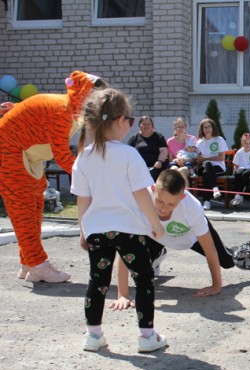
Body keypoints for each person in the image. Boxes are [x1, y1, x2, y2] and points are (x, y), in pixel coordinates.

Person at [70, 88, 168, 353]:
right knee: (144, 278)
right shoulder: (128, 155)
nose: (131, 124)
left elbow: (83, 201)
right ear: (118, 120)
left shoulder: (83, 157)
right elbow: (141, 195)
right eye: (131, 119)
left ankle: (93, 335)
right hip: (129, 230)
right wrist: (155, 224)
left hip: (97, 230)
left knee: (97, 281)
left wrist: (83, 231)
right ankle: (147, 337)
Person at [0, 71, 105, 283]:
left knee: (34, 205)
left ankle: (29, 262)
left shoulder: (73, 110)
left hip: (23, 154)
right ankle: (38, 265)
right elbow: (64, 157)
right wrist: (91, 181)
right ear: (85, 94)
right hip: (9, 152)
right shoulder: (62, 112)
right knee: (24, 208)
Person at [111, 169, 236, 309]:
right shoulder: (139, 201)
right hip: (156, 237)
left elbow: (210, 249)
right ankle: (158, 255)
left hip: (190, 237)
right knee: (138, 268)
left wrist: (216, 286)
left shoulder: (193, 208)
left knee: (227, 261)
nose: (164, 209)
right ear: (153, 189)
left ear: (182, 198)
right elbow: (124, 249)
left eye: (171, 204)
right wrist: (122, 295)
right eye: (160, 201)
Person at [195, 118, 230, 210]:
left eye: (209, 126)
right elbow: (198, 160)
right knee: (206, 165)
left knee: (206, 171)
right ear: (201, 129)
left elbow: (221, 158)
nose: (207, 129)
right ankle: (215, 188)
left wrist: (205, 158)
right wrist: (197, 159)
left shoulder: (219, 139)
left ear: (213, 127)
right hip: (203, 166)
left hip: (218, 167)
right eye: (205, 127)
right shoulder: (199, 143)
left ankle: (206, 201)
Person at [127, 116, 169, 181]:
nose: (146, 126)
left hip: (156, 168)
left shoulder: (159, 136)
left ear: (152, 126)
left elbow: (164, 151)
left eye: (149, 124)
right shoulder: (134, 138)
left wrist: (159, 161)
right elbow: (128, 153)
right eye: (144, 124)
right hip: (138, 169)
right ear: (140, 125)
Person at [231, 132, 250, 207]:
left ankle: (239, 195)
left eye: (249, 143)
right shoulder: (239, 152)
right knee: (238, 173)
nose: (247, 145)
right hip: (242, 168)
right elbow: (236, 165)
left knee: (245, 174)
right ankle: (239, 195)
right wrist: (234, 171)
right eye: (245, 143)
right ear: (242, 143)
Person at [166, 117, 198, 185]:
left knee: (181, 171)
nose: (180, 129)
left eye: (182, 127)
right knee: (173, 170)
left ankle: (186, 194)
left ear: (185, 127)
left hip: (189, 165)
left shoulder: (192, 139)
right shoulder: (170, 141)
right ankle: (175, 194)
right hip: (176, 163)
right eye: (178, 127)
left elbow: (196, 156)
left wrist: (186, 160)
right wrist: (176, 160)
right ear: (175, 128)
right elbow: (170, 159)